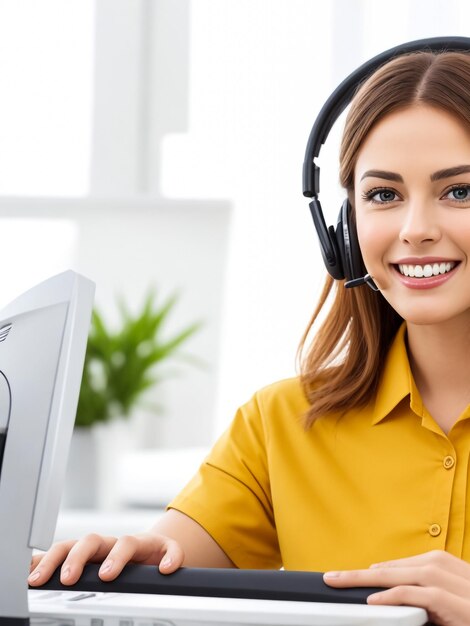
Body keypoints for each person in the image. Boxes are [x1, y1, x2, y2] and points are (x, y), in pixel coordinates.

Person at [29, 45, 470, 625]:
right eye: (383, 194)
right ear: (342, 230)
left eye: (459, 191)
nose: (415, 230)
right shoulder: (279, 424)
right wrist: (129, 566)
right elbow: (172, 560)